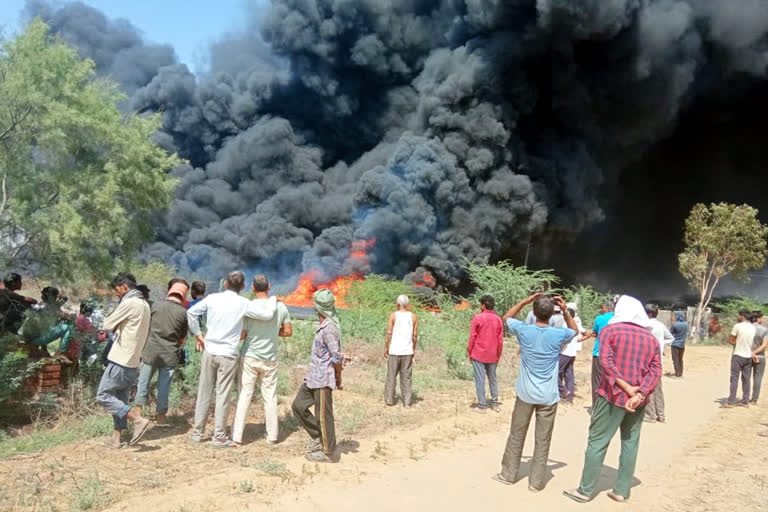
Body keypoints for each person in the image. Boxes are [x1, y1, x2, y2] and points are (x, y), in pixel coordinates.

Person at [564, 295, 661, 504]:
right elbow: (656, 371)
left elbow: (606, 363)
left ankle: (585, 490)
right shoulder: (650, 338)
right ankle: (621, 491)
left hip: (612, 396)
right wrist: (640, 393)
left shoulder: (610, 330)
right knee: (630, 442)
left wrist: (625, 387)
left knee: (597, 441)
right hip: (637, 402)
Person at [493, 293, 577, 491]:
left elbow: (506, 318)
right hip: (548, 396)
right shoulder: (558, 334)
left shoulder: (524, 330)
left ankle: (508, 474)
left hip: (525, 393)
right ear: (552, 315)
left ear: (533, 312)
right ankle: (536, 482)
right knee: (543, 439)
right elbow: (574, 330)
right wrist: (565, 311)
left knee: (516, 434)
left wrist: (524, 301)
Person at [187, 271, 276, 447]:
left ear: (226, 284)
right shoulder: (244, 303)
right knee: (222, 395)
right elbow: (267, 315)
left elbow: (191, 312)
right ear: (243, 287)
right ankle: (219, 437)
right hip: (227, 355)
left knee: (204, 392)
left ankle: (197, 434)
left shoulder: (212, 299)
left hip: (209, 351)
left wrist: (198, 335)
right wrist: (273, 300)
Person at [232, 275, 292, 447]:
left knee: (244, 395)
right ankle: (272, 436)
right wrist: (273, 333)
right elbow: (288, 332)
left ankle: (237, 437)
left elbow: (242, 335)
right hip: (270, 359)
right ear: (269, 287)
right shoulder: (280, 307)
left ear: (252, 288)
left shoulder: (248, 307)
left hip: (249, 356)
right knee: (270, 397)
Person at [95, 273, 152, 449]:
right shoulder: (145, 305)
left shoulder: (129, 303)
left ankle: (137, 419)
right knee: (120, 399)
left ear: (125, 287)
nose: (117, 294)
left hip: (120, 359)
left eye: (118, 291)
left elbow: (106, 324)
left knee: (103, 395)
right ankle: (116, 439)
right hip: (133, 362)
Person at [292, 289, 343, 463]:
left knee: (323, 416)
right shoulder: (323, 326)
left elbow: (336, 356)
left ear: (317, 308)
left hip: (323, 379)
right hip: (313, 377)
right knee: (298, 406)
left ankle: (329, 453)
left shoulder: (329, 329)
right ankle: (318, 436)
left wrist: (338, 378)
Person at [136, 279, 190, 427]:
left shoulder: (155, 305)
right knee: (164, 387)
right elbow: (182, 337)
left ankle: (138, 414)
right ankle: (161, 418)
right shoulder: (183, 313)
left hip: (150, 352)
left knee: (143, 383)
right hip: (169, 355)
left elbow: (145, 325)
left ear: (170, 292)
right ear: (183, 295)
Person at [468, 295, 503, 412]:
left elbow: (472, 337)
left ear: (483, 305)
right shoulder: (498, 319)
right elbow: (500, 340)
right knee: (493, 378)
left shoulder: (478, 318)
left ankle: (482, 405)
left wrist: (469, 352)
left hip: (478, 353)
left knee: (480, 379)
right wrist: (498, 355)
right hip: (493, 354)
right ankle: (494, 403)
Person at [385, 294, 418, 407]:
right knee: (406, 377)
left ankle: (389, 400)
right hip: (407, 352)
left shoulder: (393, 315)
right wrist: (413, 350)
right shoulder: (413, 317)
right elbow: (415, 335)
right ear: (407, 304)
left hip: (394, 351)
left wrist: (386, 347)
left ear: (397, 304)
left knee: (391, 376)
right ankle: (407, 402)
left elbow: (389, 333)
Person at [21, 286, 73, 358]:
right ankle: (62, 352)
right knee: (68, 327)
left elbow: (65, 299)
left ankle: (44, 349)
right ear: (51, 297)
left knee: (48, 323)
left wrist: (59, 296)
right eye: (55, 296)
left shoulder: (40, 305)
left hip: (28, 337)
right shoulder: (52, 307)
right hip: (36, 339)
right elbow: (69, 317)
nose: (56, 298)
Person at [644, 304, 674, 423]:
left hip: (647, 361)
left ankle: (650, 415)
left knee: (647, 388)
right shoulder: (661, 325)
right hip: (658, 361)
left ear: (649, 314)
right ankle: (661, 414)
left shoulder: (646, 325)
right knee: (658, 388)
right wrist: (661, 343)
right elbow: (671, 338)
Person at [583, 301, 615, 409]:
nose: (602, 310)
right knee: (611, 381)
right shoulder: (619, 319)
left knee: (597, 381)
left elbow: (595, 332)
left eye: (603, 308)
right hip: (613, 356)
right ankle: (608, 406)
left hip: (599, 354)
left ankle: (596, 407)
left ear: (606, 308)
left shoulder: (600, 319)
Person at [724, 309, 756, 408]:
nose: (738, 317)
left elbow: (731, 340)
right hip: (748, 356)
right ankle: (745, 401)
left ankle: (731, 401)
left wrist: (736, 342)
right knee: (746, 379)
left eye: (739, 315)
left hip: (738, 355)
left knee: (734, 378)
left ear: (742, 316)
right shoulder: (753, 328)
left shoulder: (737, 326)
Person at [558, 303, 584, 404]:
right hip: (572, 354)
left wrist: (558, 349)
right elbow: (585, 334)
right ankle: (569, 398)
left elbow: (564, 341)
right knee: (569, 375)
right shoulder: (576, 324)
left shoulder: (565, 325)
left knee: (555, 372)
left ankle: (563, 392)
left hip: (564, 353)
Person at [751, 311, 768, 405]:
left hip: (747, 356)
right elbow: (764, 345)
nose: (762, 320)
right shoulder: (764, 330)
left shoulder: (746, 328)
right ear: (758, 318)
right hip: (760, 356)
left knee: (746, 377)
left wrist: (750, 353)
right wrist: (755, 353)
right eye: (761, 318)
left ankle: (745, 398)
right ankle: (754, 399)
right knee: (757, 378)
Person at [669, 312, 689, 377]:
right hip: (682, 345)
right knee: (680, 359)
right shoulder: (686, 324)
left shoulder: (674, 325)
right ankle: (680, 373)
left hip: (675, 344)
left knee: (675, 359)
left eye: (675, 316)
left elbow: (671, 333)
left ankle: (677, 373)